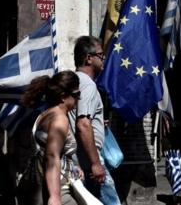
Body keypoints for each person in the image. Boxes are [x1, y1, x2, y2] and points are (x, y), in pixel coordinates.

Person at [68, 35, 121, 205]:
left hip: (78, 163)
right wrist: (96, 164)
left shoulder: (74, 82)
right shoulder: (87, 84)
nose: (104, 59)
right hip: (88, 163)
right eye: (101, 55)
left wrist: (97, 124)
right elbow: (83, 124)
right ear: (89, 58)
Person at [20, 70, 83, 205]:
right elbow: (52, 156)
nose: (80, 98)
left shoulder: (45, 114)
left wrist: (74, 167)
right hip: (57, 189)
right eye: (77, 94)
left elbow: (52, 152)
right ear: (63, 97)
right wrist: (54, 197)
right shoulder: (60, 119)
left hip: (36, 183)